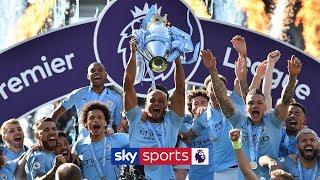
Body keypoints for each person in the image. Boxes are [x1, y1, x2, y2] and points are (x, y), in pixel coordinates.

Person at [201, 48, 302, 179]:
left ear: (265, 106)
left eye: (259, 103)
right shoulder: (238, 121)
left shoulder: (274, 120)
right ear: (245, 107)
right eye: (250, 103)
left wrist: (292, 77)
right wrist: (213, 70)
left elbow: (286, 100)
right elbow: (222, 99)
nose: (255, 105)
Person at [124, 37, 185, 179]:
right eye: (152, 100)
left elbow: (180, 89)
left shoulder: (172, 121)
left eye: (161, 101)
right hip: (138, 176)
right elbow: (128, 86)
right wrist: (133, 54)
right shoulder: (136, 117)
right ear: (145, 105)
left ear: (167, 105)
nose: (156, 103)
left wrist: (176, 58)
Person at [51, 62, 123, 140]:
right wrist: (51, 136)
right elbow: (56, 114)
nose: (96, 72)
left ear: (105, 75)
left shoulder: (116, 98)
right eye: (93, 71)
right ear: (88, 76)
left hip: (108, 144)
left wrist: (112, 133)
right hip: (83, 144)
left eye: (100, 70)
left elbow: (117, 125)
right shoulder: (77, 94)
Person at [72, 101, 129, 180]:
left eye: (100, 117)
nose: (96, 120)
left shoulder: (120, 140)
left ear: (106, 122)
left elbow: (148, 155)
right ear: (85, 123)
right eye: (91, 118)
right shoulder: (78, 146)